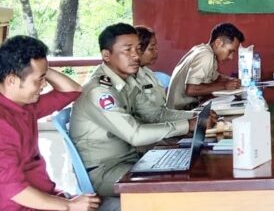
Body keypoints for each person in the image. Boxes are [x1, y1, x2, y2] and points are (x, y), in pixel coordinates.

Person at [70, 23, 199, 198]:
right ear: (106, 55)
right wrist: (186, 126)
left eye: (138, 49)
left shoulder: (128, 81)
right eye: (127, 50)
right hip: (105, 172)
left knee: (188, 165)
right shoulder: (99, 91)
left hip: (132, 160)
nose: (136, 56)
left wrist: (195, 117)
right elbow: (135, 135)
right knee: (174, 187)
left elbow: (155, 115)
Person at [0, 36, 101, 211]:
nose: (44, 84)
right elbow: (13, 188)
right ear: (11, 80)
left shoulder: (25, 105)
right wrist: (69, 206)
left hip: (49, 196)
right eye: (39, 80)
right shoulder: (3, 123)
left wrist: (40, 68)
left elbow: (72, 90)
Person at [166, 22, 243, 110]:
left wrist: (231, 80)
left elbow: (216, 77)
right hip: (180, 112)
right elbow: (191, 89)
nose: (231, 57)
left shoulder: (204, 51)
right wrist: (225, 85)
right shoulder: (206, 56)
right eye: (230, 51)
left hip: (184, 109)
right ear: (218, 43)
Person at [133, 26, 195, 123]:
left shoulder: (147, 73)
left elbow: (162, 112)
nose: (156, 52)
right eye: (151, 48)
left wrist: (194, 115)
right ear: (138, 50)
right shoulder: (131, 79)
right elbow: (154, 116)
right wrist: (192, 117)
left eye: (156, 47)